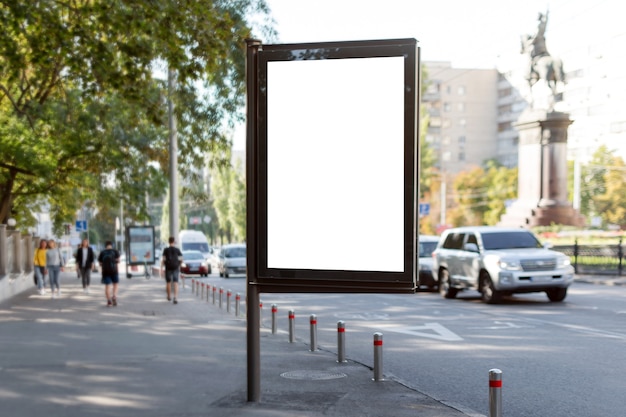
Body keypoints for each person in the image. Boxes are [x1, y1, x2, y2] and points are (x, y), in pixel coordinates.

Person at [160, 236, 183, 304]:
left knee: (168, 282)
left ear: (168, 242)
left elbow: (163, 260)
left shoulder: (166, 250)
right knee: (176, 283)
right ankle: (175, 297)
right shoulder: (177, 250)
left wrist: (161, 268)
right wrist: (179, 265)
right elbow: (181, 259)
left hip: (168, 267)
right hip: (176, 267)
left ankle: (169, 296)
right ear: (174, 242)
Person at [98, 241, 120, 307]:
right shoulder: (115, 251)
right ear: (111, 245)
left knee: (107, 286)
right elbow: (118, 261)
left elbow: (100, 263)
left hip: (105, 272)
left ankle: (109, 301)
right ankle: (114, 296)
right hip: (114, 271)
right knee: (115, 284)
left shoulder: (102, 252)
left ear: (105, 246)